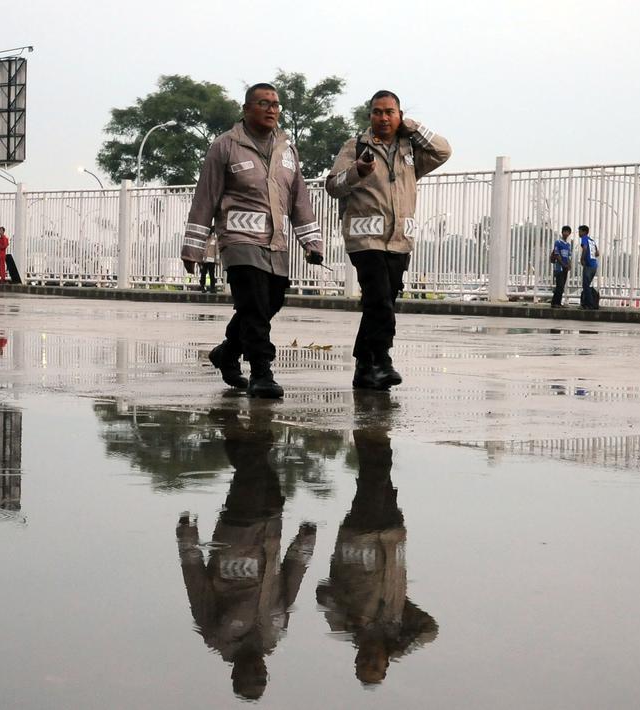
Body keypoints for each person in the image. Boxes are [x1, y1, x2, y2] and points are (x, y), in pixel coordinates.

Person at [180, 83, 324, 399]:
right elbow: (205, 198)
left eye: (276, 104)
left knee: (268, 303)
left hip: (275, 243)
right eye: (263, 103)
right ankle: (262, 372)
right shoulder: (225, 146)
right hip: (238, 241)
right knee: (255, 306)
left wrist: (312, 243)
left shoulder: (287, 150)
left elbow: (299, 200)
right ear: (246, 109)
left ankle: (227, 352)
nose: (272, 109)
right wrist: (193, 246)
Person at [176, 408, 317, 701]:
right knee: (259, 469)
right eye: (261, 676)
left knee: (252, 468)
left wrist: (187, 540)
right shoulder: (273, 636)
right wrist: (304, 545)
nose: (257, 670)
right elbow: (290, 585)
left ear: (234, 674)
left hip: (236, 533)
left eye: (249, 676)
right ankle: (232, 427)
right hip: (270, 532)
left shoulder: (216, 634)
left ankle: (244, 421)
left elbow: (196, 585)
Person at [326, 90, 451, 390]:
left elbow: (443, 151)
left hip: (399, 240)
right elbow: (333, 185)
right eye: (377, 112)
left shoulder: (410, 151)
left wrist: (415, 127)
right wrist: (357, 171)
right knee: (380, 299)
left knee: (380, 303)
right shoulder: (355, 146)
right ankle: (382, 360)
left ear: (399, 115)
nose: (383, 117)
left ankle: (364, 367)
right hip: (365, 239)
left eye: (389, 112)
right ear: (369, 115)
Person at [316, 393, 437, 686]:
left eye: (363, 663)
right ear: (386, 663)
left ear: (355, 659)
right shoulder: (396, 628)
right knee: (380, 476)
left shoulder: (341, 624)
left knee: (375, 477)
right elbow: (430, 629)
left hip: (359, 537)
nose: (369, 659)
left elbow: (322, 593)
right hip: (391, 537)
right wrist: (396, 647)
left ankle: (369, 425)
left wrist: (351, 610)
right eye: (376, 664)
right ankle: (372, 427)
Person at [550, 225, 573, 308]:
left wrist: (569, 265)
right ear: (562, 232)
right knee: (559, 285)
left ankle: (557, 302)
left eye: (568, 232)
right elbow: (556, 254)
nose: (566, 233)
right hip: (559, 267)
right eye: (565, 231)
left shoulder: (568, 245)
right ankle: (555, 303)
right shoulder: (558, 242)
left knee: (562, 286)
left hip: (565, 268)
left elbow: (569, 256)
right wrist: (563, 264)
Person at [578, 225, 600, 309]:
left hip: (588, 265)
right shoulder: (592, 241)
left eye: (580, 231)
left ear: (584, 232)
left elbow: (585, 248)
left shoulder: (584, 238)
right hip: (594, 265)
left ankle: (590, 305)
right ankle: (587, 303)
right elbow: (597, 253)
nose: (579, 233)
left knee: (586, 286)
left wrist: (582, 259)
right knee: (586, 285)